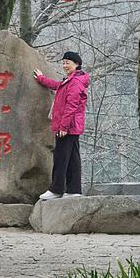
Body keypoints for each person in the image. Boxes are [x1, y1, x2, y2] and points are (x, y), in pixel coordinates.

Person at [34, 51, 90, 200]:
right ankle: (74, 190)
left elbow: (71, 106)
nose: (65, 65)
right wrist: (42, 79)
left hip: (68, 127)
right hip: (72, 126)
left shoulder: (75, 82)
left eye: (68, 63)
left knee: (60, 157)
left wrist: (63, 127)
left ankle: (56, 189)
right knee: (72, 158)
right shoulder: (71, 80)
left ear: (76, 64)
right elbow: (57, 86)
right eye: (63, 62)